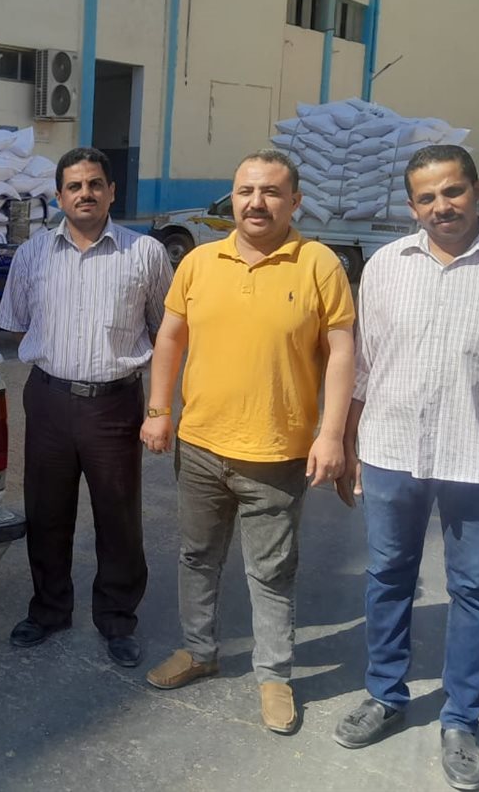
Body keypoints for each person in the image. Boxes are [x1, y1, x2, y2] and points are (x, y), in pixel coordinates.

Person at [331, 145, 479, 790]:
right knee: (389, 575)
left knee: (473, 588)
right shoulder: (386, 265)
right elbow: (364, 367)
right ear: (412, 205)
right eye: (426, 197)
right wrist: (346, 442)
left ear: (478, 188)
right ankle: (385, 694)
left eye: (452, 191)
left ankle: (462, 719)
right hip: (392, 452)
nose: (441, 206)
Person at [140, 149, 355, 733]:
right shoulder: (199, 262)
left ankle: (274, 676)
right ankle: (198, 651)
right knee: (197, 557)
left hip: (277, 454)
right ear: (231, 199)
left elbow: (341, 353)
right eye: (245, 191)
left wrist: (332, 434)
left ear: (295, 201)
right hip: (200, 447)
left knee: (271, 572)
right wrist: (158, 410)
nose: (256, 203)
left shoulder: (318, 265)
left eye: (271, 192)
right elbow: (170, 338)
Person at [0, 146, 172, 667]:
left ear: (112, 192)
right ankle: (49, 609)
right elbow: (19, 324)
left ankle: (117, 618)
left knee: (118, 515)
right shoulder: (33, 255)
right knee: (46, 512)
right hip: (48, 399)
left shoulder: (145, 254)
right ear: (59, 196)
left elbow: (166, 330)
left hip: (113, 405)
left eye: (95, 184)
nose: (85, 193)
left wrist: (159, 408)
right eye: (74, 186)